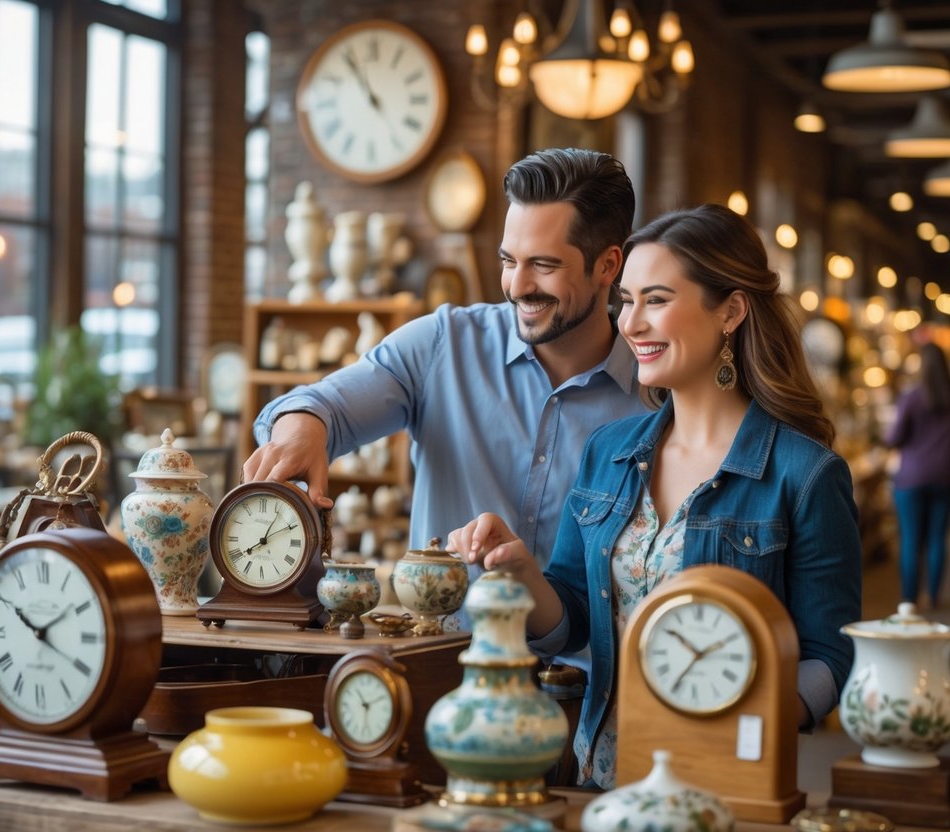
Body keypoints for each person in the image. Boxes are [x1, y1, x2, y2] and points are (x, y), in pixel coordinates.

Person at [448, 204, 862, 789]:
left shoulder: (805, 473)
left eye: (657, 300)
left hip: (721, 791)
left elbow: (829, 655)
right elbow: (577, 620)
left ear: (731, 312)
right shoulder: (608, 452)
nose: (630, 324)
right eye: (626, 301)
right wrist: (520, 571)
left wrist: (748, 724)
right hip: (599, 780)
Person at [244, 148, 646, 569]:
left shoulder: (655, 390)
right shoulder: (444, 343)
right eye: (509, 261)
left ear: (608, 265)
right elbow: (324, 406)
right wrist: (302, 429)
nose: (517, 286)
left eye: (544, 265)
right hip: (442, 636)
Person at [886, 341, 950, 608]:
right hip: (946, 476)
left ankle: (909, 599)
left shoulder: (912, 397)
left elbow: (894, 437)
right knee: (937, 537)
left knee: (910, 539)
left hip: (911, 478)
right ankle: (933, 596)